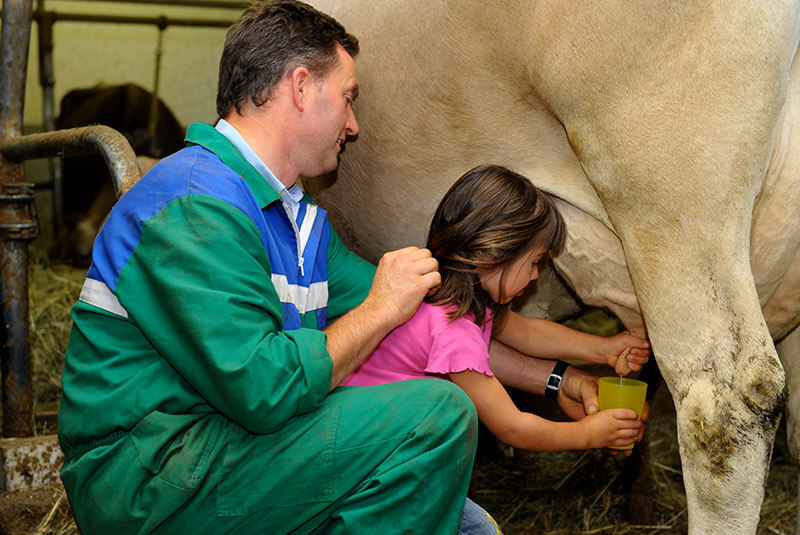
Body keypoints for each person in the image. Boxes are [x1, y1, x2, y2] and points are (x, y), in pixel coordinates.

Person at [56, 2, 635, 534]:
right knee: (434, 418)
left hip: (225, 450)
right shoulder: (195, 208)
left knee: (470, 526)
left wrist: (562, 377)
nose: (354, 124)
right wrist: (380, 306)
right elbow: (265, 391)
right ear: (302, 88)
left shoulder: (298, 221)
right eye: (349, 96)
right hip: (151, 478)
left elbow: (440, 323)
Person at [342, 164, 651, 454]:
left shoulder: (447, 298)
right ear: (495, 252)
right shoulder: (454, 333)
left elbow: (529, 332)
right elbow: (513, 427)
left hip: (365, 421)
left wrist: (605, 349)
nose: (534, 277)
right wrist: (588, 434)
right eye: (533, 262)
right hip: (365, 444)